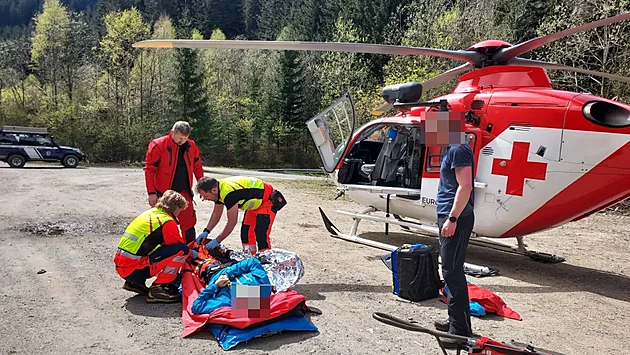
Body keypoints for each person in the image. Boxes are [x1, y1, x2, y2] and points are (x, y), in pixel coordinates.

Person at [114, 190, 191, 303]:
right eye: (180, 210)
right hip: (133, 269)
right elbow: (177, 246)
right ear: (176, 208)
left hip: (122, 267)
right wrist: (191, 252)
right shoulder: (167, 221)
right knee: (182, 250)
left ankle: (135, 283)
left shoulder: (151, 214)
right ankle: (159, 288)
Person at [434, 140, 475, 348]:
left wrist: (452, 219)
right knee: (450, 270)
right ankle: (456, 321)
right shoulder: (452, 148)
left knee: (452, 271)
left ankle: (459, 332)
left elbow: (465, 186)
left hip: (455, 217)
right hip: (449, 214)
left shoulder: (458, 149)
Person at [144, 121, 204, 244]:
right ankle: (163, 256)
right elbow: (149, 170)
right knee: (162, 225)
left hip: (184, 191)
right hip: (163, 193)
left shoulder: (191, 146)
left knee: (189, 224)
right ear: (172, 133)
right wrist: (151, 193)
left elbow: (197, 166)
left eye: (185, 138)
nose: (182, 141)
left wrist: (202, 185)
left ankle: (191, 253)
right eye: (180, 138)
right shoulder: (158, 145)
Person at [194, 176, 287, 254]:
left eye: (205, 196)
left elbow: (232, 221)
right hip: (256, 203)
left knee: (261, 234)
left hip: (267, 201)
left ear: (213, 190)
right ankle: (250, 257)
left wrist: (218, 240)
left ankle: (267, 262)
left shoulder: (229, 193)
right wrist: (206, 231)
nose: (205, 199)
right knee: (246, 233)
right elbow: (216, 214)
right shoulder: (218, 189)